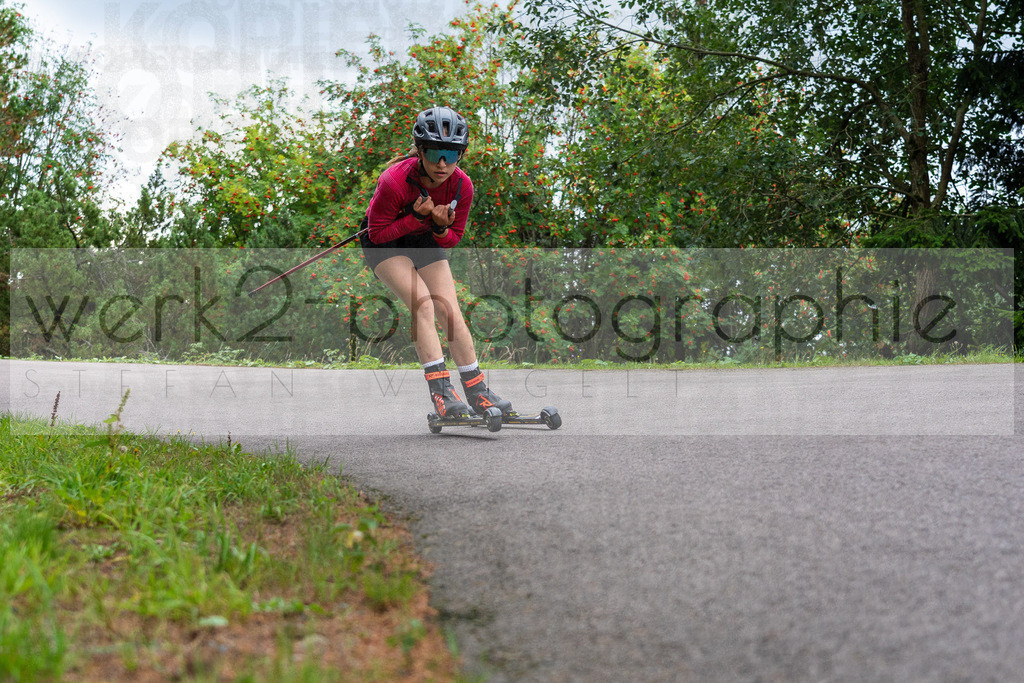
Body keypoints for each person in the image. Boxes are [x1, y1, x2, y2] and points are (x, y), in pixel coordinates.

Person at [359, 105, 512, 418]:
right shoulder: (393, 181)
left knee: (448, 308)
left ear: (461, 155)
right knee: (424, 305)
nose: (443, 164)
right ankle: (442, 394)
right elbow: (377, 234)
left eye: (452, 155)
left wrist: (439, 226)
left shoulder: (461, 186)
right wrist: (416, 217)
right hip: (384, 242)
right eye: (435, 153)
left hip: (423, 236)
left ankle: (478, 391)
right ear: (419, 151)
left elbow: (452, 238)